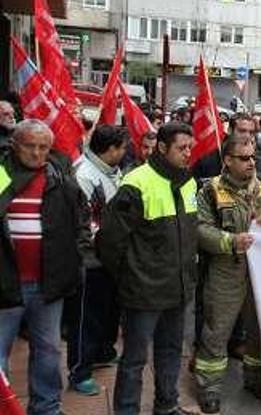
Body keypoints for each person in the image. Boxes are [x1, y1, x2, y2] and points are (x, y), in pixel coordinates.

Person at [97, 122, 198, 415]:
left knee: (170, 353)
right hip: (143, 292)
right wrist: (130, 277)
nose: (187, 154)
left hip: (177, 289)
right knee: (134, 359)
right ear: (162, 148)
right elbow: (110, 242)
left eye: (189, 147)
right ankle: (127, 410)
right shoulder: (137, 182)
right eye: (181, 148)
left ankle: (167, 405)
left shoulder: (189, 181)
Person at [193, 135, 261, 412]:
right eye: (244, 158)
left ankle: (257, 378)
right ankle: (209, 386)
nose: (252, 163)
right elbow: (200, 229)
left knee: (260, 327)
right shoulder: (210, 190)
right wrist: (230, 241)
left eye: (253, 157)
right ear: (227, 160)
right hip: (226, 269)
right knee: (217, 329)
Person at [0, 119, 89, 415]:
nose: (37, 153)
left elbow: (81, 221)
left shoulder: (60, 175)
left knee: (49, 351)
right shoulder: (2, 174)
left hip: (48, 282)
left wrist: (75, 257)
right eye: (30, 146)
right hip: (5, 282)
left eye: (43, 147)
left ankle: (47, 408)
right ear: (14, 144)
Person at [66, 125, 128, 396]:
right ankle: (80, 371)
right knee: (86, 318)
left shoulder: (112, 172)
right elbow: (85, 223)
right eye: (123, 148)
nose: (126, 152)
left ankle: (103, 351)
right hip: (91, 260)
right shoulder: (85, 175)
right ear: (111, 149)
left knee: (108, 311)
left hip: (111, 257)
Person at [194, 113, 258, 182]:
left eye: (251, 132)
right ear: (229, 130)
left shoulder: (256, 157)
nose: (247, 136)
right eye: (242, 131)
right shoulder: (209, 157)